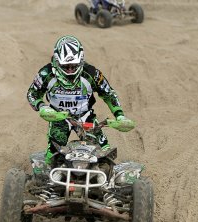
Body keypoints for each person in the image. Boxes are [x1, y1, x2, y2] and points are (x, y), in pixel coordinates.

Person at [27, 35, 133, 165]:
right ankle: (47, 180)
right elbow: (32, 94)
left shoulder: (92, 73)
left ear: (81, 60)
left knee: (104, 154)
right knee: (53, 155)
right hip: (58, 118)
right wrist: (42, 106)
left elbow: (108, 94)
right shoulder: (46, 74)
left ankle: (105, 178)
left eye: (74, 66)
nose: (70, 69)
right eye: (66, 66)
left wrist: (120, 116)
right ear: (56, 61)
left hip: (85, 117)